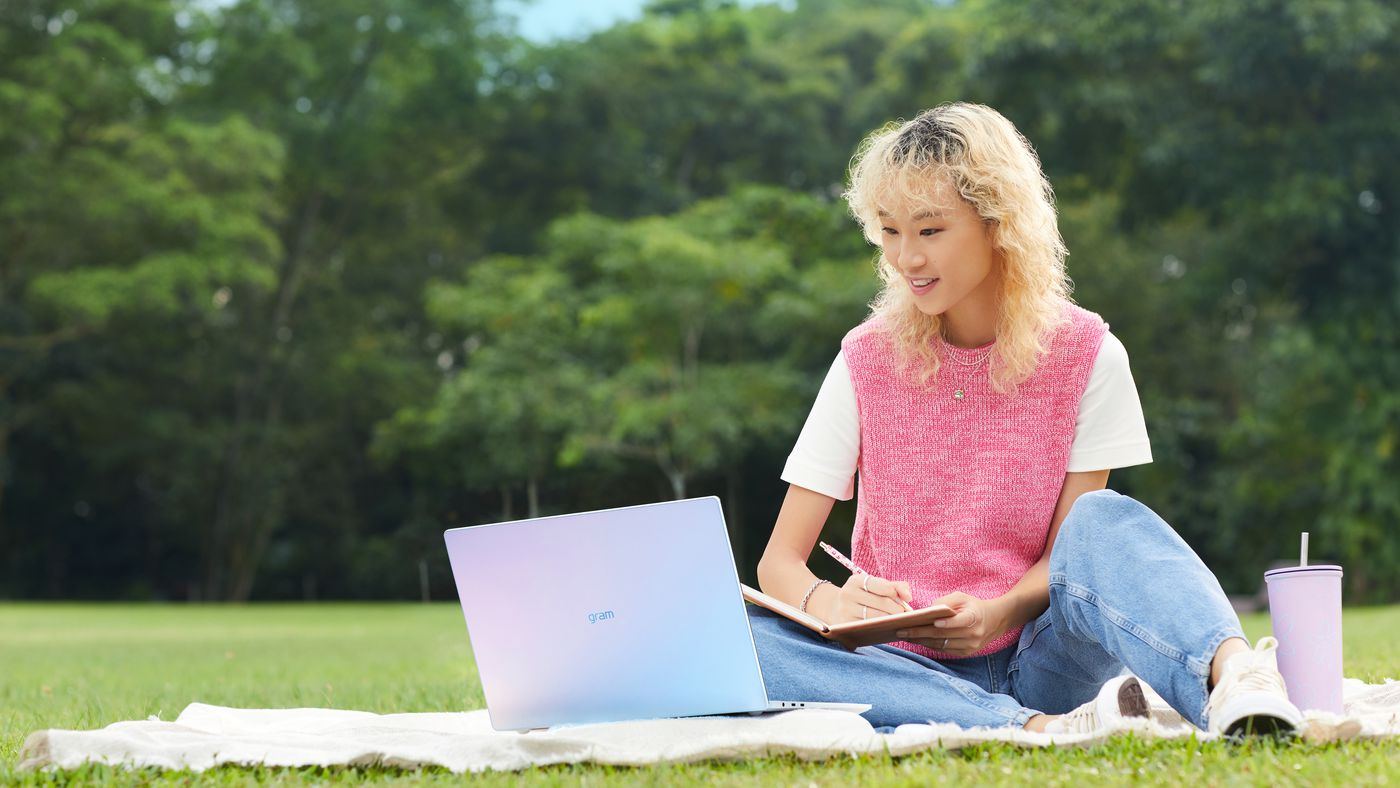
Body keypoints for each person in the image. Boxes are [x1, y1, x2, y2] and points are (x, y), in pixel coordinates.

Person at [750, 102, 1303, 737]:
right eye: (891, 231)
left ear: (998, 224)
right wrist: (832, 602)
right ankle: (1030, 727)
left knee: (1102, 519)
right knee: (748, 640)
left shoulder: (1090, 355)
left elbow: (1074, 554)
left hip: (1045, 658)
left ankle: (1236, 678)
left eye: (930, 231)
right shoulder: (864, 360)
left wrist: (1001, 611)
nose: (906, 257)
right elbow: (779, 563)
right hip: (895, 666)